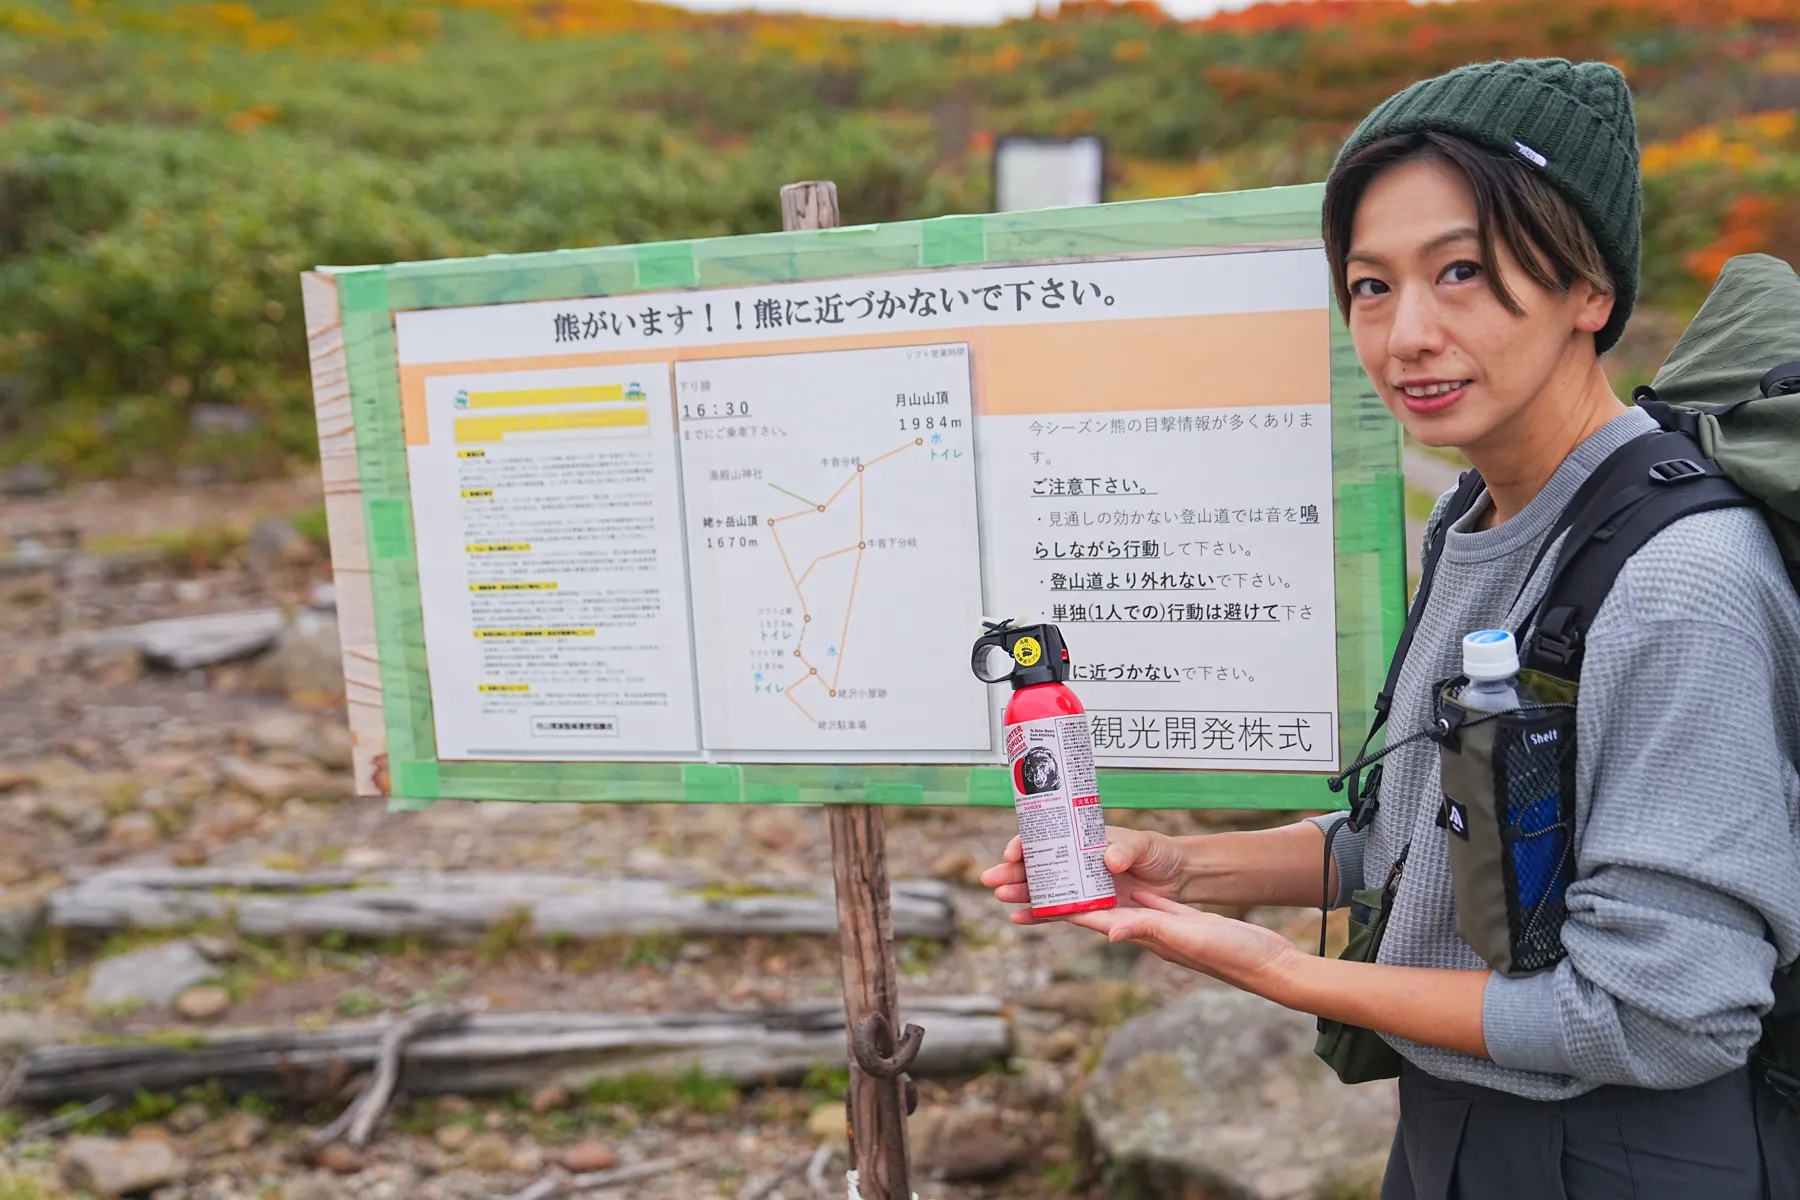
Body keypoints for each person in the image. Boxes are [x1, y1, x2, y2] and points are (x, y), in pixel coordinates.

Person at [981, 58, 1800, 1198]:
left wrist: (1285, 972)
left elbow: (1666, 1015)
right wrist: (1191, 867)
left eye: (1460, 271)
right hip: (1456, 1124)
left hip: (1632, 1157)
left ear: (1590, 291)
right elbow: (1447, 846)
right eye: (1370, 285)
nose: (1406, 332)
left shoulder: (1683, 580)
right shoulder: (1481, 516)